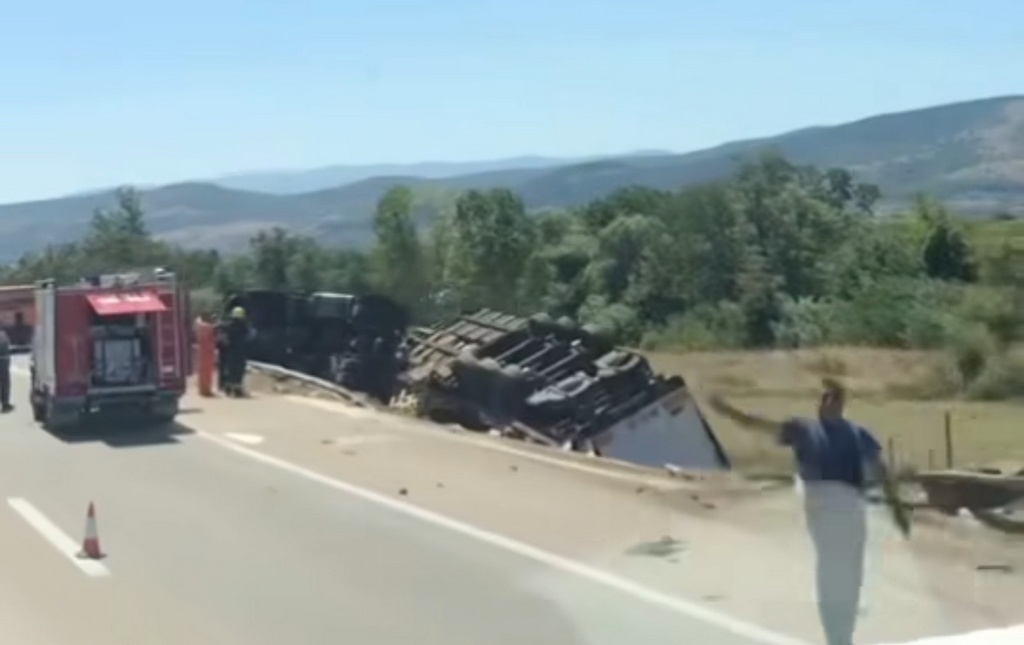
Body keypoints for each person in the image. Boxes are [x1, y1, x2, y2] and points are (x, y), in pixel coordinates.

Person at [708, 379, 910, 645]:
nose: (826, 403)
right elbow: (762, 425)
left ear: (841, 404)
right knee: (831, 562)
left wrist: (894, 504)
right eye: (823, 397)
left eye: (832, 398)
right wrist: (730, 412)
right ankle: (834, 625)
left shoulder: (858, 434)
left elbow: (880, 469)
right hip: (822, 501)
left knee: (850, 565)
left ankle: (843, 623)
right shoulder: (803, 429)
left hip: (850, 503)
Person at [217, 306, 252, 397]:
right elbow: (249, 337)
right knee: (239, 369)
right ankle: (237, 389)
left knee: (230, 368)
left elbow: (220, 329)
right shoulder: (245, 326)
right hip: (241, 350)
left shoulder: (228, 325)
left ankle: (228, 387)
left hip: (230, 350)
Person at [0, 328, 11, 413]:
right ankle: (5, 404)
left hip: (3, 360)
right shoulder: (3, 335)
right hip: (3, 362)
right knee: (5, 384)